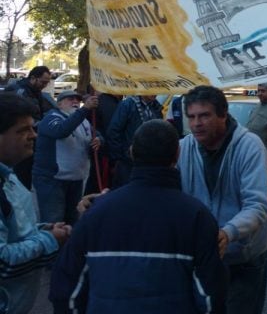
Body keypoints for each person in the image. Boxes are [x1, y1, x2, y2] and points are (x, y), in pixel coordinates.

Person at [49, 119, 226, 314]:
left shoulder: (95, 215)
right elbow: (207, 298)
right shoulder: (197, 216)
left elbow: (68, 289)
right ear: (177, 154)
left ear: (132, 153)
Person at [178, 85, 267, 314]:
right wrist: (106, 199)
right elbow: (158, 187)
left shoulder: (250, 146)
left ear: (223, 114)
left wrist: (228, 233)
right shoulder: (184, 147)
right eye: (191, 116)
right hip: (204, 260)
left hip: (244, 259)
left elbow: (257, 206)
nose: (196, 123)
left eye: (204, 115)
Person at [0, 93, 70, 314]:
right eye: (23, 130)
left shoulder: (10, 177)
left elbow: (15, 227)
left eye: (33, 127)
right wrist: (49, 240)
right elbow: (4, 260)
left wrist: (44, 230)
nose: (34, 135)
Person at [32, 90, 101, 225]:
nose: (75, 102)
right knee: (54, 222)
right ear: (59, 104)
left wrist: (99, 140)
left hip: (75, 179)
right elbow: (61, 131)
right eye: (70, 99)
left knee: (72, 220)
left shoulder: (82, 121)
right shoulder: (51, 118)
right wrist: (85, 109)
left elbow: (96, 134)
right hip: (53, 180)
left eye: (77, 99)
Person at [4, 65, 55, 189]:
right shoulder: (20, 93)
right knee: (21, 173)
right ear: (33, 78)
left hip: (30, 140)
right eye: (43, 82)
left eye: (47, 83)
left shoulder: (38, 93)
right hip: (19, 141)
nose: (44, 85)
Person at [106, 93, 162, 187]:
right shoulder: (127, 104)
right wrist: (119, 158)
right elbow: (113, 132)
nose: (155, 92)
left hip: (149, 163)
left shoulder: (156, 107)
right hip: (128, 162)